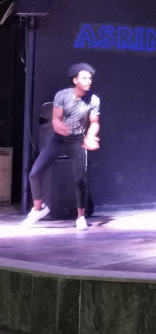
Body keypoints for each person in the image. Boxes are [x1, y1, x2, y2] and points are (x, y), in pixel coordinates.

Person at [24, 63, 100, 230]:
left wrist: (90, 136)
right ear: (75, 80)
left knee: (79, 179)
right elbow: (56, 119)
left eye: (90, 78)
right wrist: (58, 126)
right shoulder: (62, 95)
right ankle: (39, 209)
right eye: (84, 78)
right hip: (58, 139)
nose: (88, 81)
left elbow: (94, 122)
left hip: (77, 141)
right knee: (34, 173)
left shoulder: (93, 100)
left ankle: (80, 217)